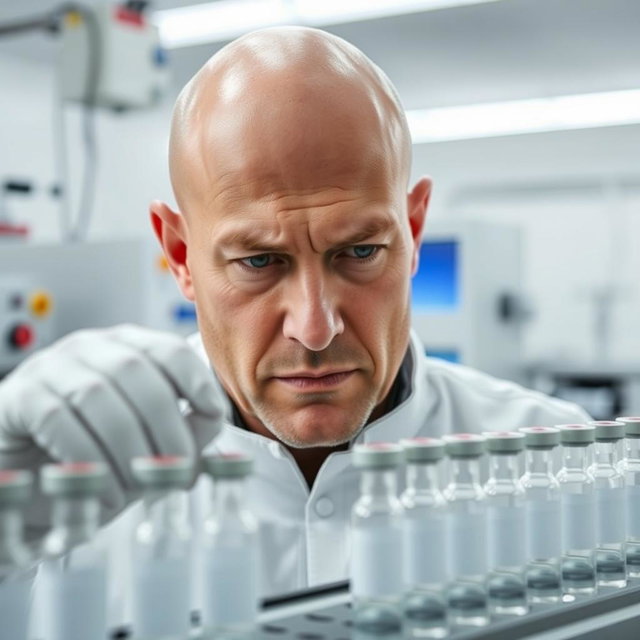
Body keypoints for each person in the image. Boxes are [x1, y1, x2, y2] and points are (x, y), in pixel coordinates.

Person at [0, 26, 588, 625]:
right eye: (258, 261)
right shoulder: (66, 487)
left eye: (359, 252)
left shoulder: (563, 464)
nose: (315, 327)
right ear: (180, 256)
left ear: (412, 229)